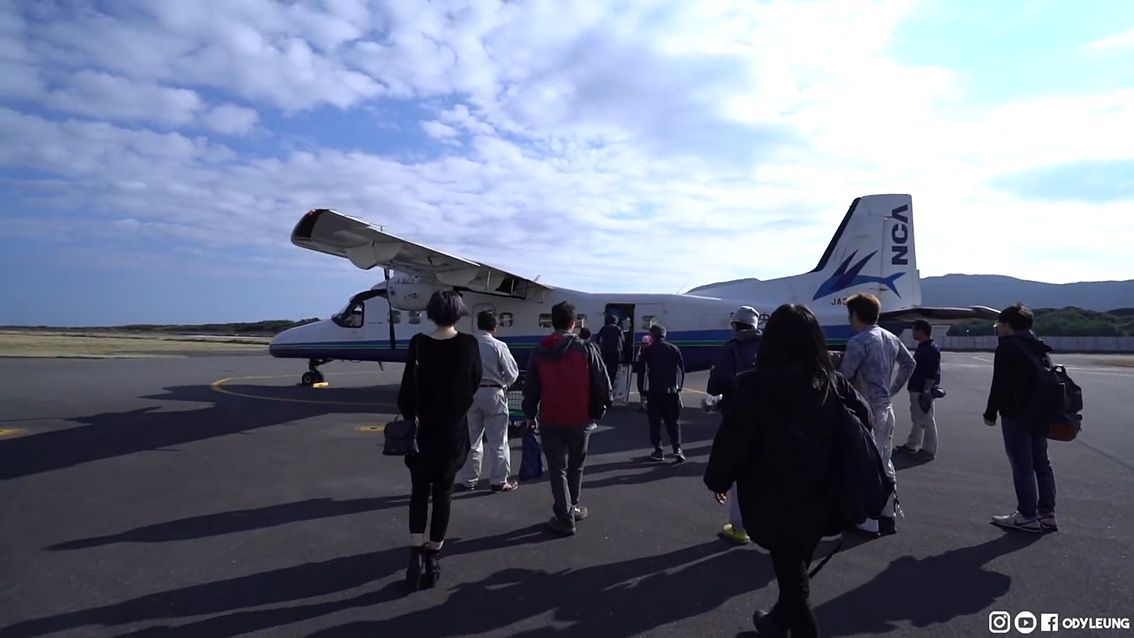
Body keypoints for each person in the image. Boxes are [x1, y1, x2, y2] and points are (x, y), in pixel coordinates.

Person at [704, 303, 871, 638]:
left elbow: (733, 439)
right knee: (794, 569)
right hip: (823, 496)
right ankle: (776, 622)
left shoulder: (752, 387)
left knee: (794, 581)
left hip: (772, 500)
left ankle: (796, 626)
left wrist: (718, 479)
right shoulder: (834, 385)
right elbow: (864, 422)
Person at [397, 290, 483, 592]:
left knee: (418, 492)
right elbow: (472, 385)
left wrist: (413, 414)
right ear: (458, 313)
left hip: (421, 434)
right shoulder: (469, 345)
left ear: (431, 313)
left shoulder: (418, 344)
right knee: (444, 494)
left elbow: (407, 392)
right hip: (451, 433)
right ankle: (434, 556)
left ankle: (415, 554)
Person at [522, 300, 612, 535]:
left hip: (551, 418)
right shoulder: (586, 348)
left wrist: (530, 414)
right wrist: (600, 409)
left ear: (552, 322)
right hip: (580, 419)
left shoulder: (540, 350)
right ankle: (573, 506)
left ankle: (564, 515)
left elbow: (531, 387)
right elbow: (602, 382)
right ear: (574, 323)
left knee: (557, 469)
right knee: (576, 465)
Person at [835, 292, 915, 536]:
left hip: (867, 411)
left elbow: (845, 377)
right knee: (884, 461)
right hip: (886, 408)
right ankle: (887, 514)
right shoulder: (890, 337)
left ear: (856, 315)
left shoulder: (859, 342)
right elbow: (909, 363)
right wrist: (892, 390)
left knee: (866, 465)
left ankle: (868, 520)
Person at [983, 302, 1058, 533]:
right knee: (1041, 463)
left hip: (1016, 414)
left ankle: (1026, 515)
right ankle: (1047, 513)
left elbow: (1000, 383)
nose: (998, 328)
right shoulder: (1038, 345)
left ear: (1008, 326)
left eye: (1000, 324)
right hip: (1040, 413)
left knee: (1022, 465)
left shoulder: (1008, 347)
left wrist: (990, 412)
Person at [706, 305, 763, 543]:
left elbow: (716, 385)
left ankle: (740, 528)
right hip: (768, 416)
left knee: (739, 470)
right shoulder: (770, 347)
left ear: (736, 326)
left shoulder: (732, 349)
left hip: (739, 418)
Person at [455, 310, 521, 493]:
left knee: (472, 440)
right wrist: (503, 385)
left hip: (470, 394)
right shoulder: (498, 346)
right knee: (498, 441)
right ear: (494, 327)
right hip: (493, 393)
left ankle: (469, 480)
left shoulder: (467, 344)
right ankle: (499, 481)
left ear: (477, 325)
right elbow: (512, 374)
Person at [639, 324, 686, 462]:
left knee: (655, 422)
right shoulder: (674, 349)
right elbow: (680, 371)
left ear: (651, 336)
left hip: (654, 392)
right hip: (671, 391)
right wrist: (678, 389)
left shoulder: (647, 351)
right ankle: (677, 449)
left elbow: (643, 372)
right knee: (673, 422)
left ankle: (658, 450)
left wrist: (643, 391)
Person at [896, 319, 941, 461]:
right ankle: (912, 444)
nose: (913, 333)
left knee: (926, 420)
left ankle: (929, 449)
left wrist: (926, 391)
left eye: (914, 330)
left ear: (921, 331)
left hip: (922, 390)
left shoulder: (930, 349)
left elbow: (932, 372)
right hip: (917, 388)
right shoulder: (924, 347)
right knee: (916, 418)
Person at [596, 313, 624, 383]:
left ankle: (604, 380)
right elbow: (623, 340)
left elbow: (598, 338)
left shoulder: (604, 328)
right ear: (616, 321)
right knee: (613, 368)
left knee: (604, 366)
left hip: (605, 350)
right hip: (615, 351)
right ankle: (611, 381)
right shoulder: (618, 329)